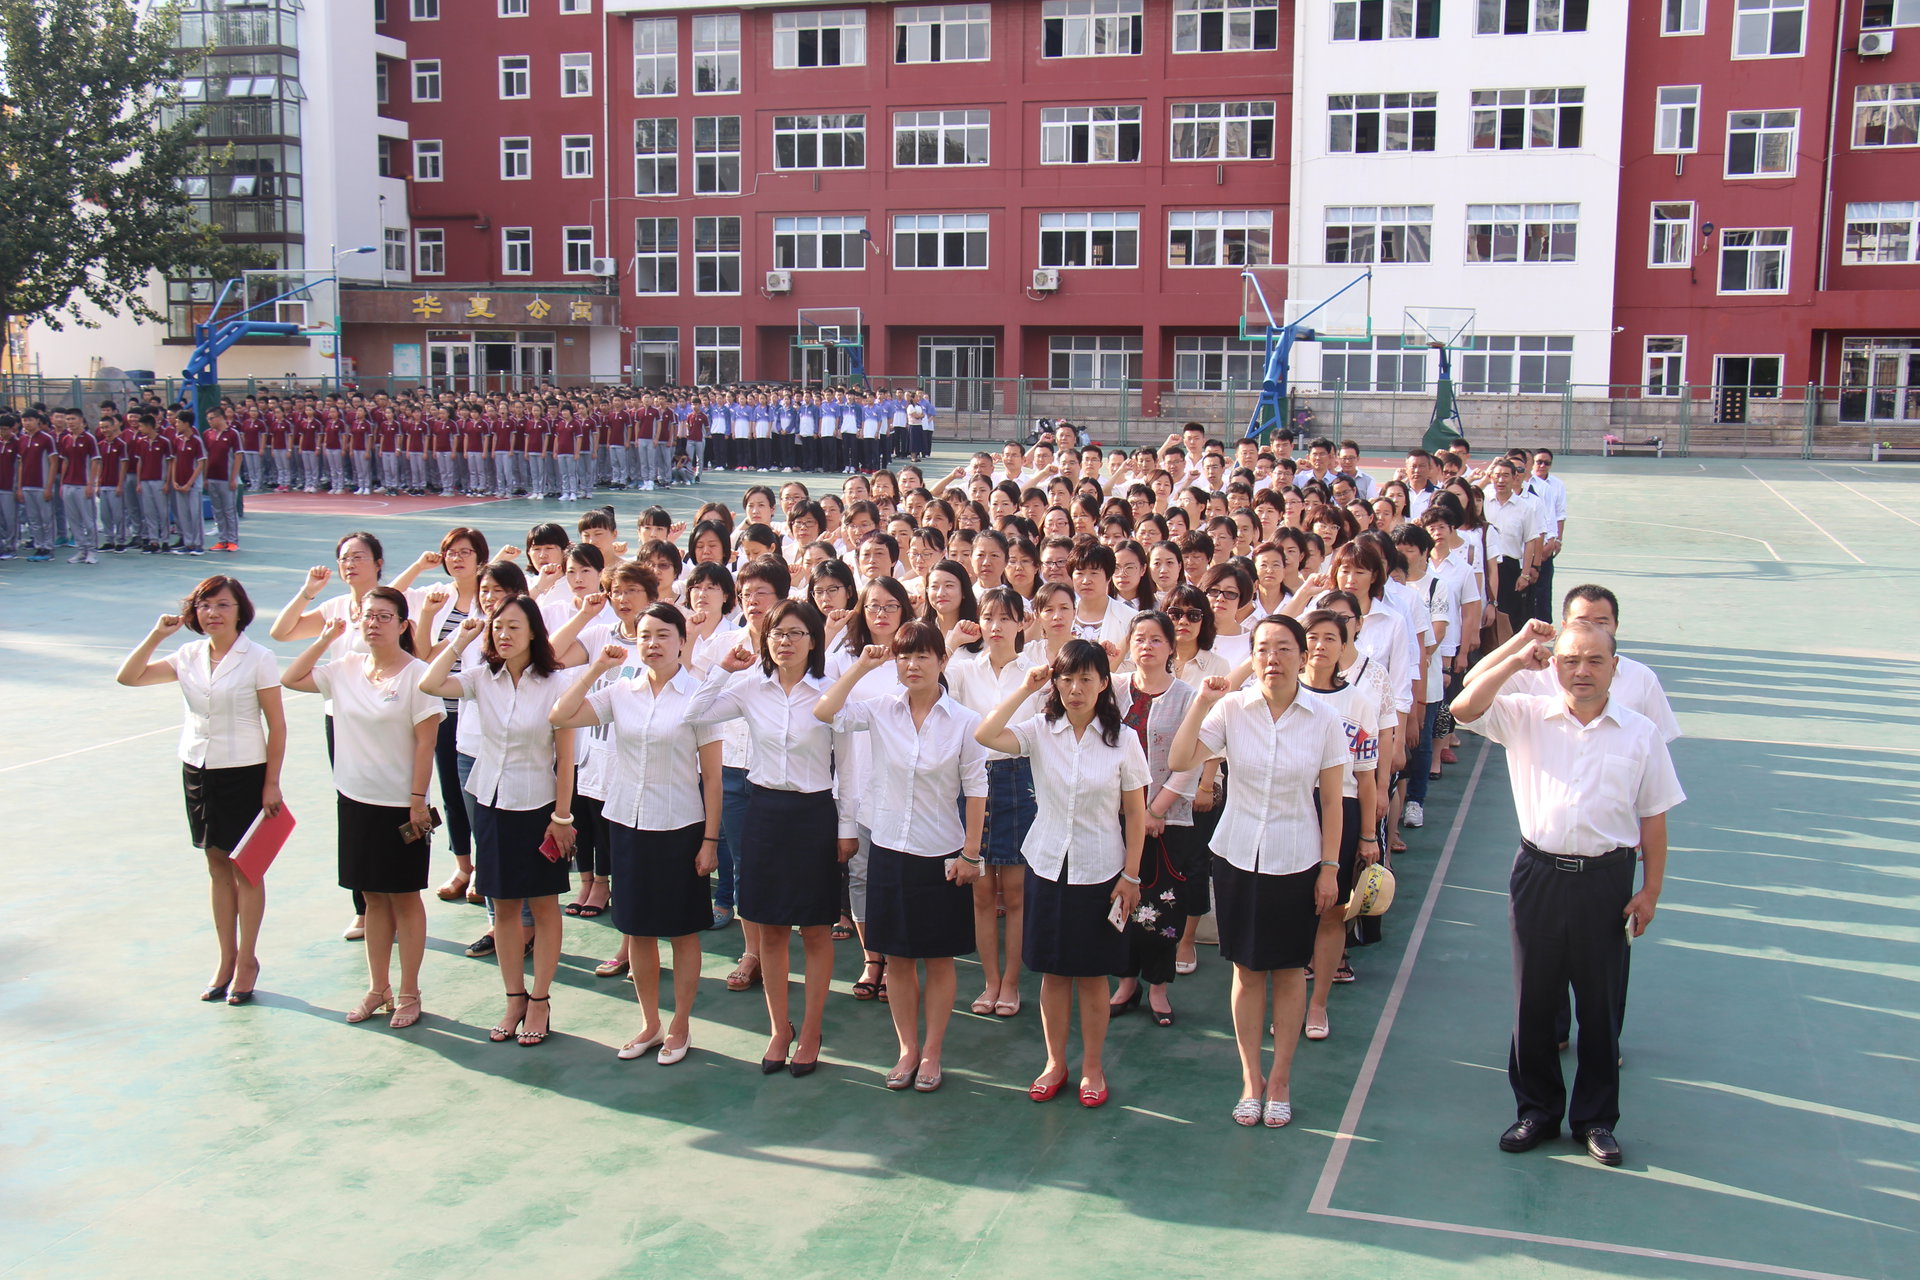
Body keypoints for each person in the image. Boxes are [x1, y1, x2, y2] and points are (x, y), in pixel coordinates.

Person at [1449, 618, 1684, 1168]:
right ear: (1553, 664)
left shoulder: (1639, 734)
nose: (1581, 671)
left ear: (1615, 668)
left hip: (1607, 881)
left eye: (1595, 661)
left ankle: (1596, 1120)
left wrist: (1650, 890)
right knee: (1533, 1000)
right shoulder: (1527, 715)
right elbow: (1462, 709)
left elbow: (1654, 819)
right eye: (1570, 660)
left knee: (1599, 1008)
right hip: (1538, 874)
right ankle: (1536, 1110)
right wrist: (1514, 660)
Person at [1168, 616, 1348, 1129]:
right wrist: (1201, 700)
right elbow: (1180, 759)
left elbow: (1333, 802)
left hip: (1298, 859)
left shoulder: (1324, 719)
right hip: (1237, 857)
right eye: (1263, 649)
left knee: (1290, 972)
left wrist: (1330, 869)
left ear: (1304, 654)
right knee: (1246, 971)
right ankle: (1251, 1078)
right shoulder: (1230, 709)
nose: (1273, 658)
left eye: (1284, 648)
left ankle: (1282, 1079)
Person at [975, 640, 1148, 1110]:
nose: (1075, 689)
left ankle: (1092, 1066)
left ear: (1104, 684)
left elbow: (1135, 814)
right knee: (1052, 973)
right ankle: (1055, 1063)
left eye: (1086, 679)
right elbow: (986, 734)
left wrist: (1131, 876)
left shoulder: (1123, 740)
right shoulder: (1039, 729)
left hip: (1100, 870)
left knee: (1092, 976)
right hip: (1048, 864)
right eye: (1067, 678)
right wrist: (1025, 688)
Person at [815, 623, 988, 1092]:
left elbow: (976, 791)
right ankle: (907, 1050)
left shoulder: (965, 722)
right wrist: (860, 667)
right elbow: (825, 710)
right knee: (897, 957)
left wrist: (971, 854)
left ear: (942, 661)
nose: (912, 666)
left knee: (938, 958)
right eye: (903, 658)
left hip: (941, 855)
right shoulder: (879, 711)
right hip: (889, 847)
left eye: (922, 657)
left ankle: (932, 1052)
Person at [551, 605, 721, 1065]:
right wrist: (597, 670)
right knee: (637, 930)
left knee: (683, 932)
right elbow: (561, 715)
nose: (653, 643)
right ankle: (650, 1022)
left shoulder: (700, 697)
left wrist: (710, 841)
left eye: (663, 635)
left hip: (680, 827)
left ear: (683, 641)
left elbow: (713, 778)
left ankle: (681, 1024)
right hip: (626, 824)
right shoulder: (620, 691)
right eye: (645, 635)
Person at [685, 598, 845, 1078]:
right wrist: (722, 668)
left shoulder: (829, 690)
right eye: (777, 633)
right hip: (765, 812)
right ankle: (780, 1028)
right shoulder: (750, 687)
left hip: (815, 812)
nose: (786, 642)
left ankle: (812, 1030)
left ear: (813, 640)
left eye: (797, 633)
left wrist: (849, 825)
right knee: (770, 928)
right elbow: (693, 714)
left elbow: (851, 763)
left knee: (815, 930)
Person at [115, 576, 286, 1005]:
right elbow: (129, 677)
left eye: (222, 605)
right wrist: (158, 634)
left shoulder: (258, 658)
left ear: (240, 611)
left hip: (246, 771)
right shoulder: (187, 654)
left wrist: (271, 783)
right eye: (205, 605)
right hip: (199, 768)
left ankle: (248, 960)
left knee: (247, 868)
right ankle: (225, 959)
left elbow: (277, 726)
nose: (213, 613)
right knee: (216, 865)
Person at [281, 586, 443, 1029]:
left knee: (404, 898)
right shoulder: (344, 668)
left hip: (401, 806)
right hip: (355, 800)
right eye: (368, 616)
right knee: (372, 897)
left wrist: (416, 801)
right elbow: (291, 678)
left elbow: (427, 742)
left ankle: (409, 992)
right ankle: (378, 988)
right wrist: (321, 638)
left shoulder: (419, 676)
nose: (373, 623)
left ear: (403, 625)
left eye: (384, 616)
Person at [419, 596, 577, 1047]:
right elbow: (431, 684)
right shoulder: (479, 678)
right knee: (504, 908)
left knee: (544, 908)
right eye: (496, 628)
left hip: (539, 808)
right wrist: (460, 639)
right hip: (489, 803)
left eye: (513, 627)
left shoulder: (557, 683)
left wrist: (562, 817)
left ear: (533, 633)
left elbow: (564, 760)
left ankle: (541, 999)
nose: (502, 635)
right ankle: (514, 998)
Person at [946, 586, 1041, 1018]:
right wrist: (951, 642)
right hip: (974, 783)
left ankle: (1012, 983)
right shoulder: (964, 669)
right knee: (982, 892)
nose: (997, 626)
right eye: (989, 617)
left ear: (1022, 623)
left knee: (1017, 893)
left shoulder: (1036, 673)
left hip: (1022, 780)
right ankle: (989, 981)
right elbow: (933, 688)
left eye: (1006, 618)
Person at [1106, 612, 1200, 1027]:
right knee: (1119, 899)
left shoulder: (1188, 697)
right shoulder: (1112, 689)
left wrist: (1156, 809)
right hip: (1114, 817)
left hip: (1167, 820)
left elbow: (1192, 760)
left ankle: (1158, 986)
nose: (1146, 646)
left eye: (1156, 639)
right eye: (1139, 638)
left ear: (1170, 647)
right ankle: (1126, 981)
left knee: (1162, 905)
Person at [1296, 607, 1381, 1039]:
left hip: (1341, 809)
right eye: (1312, 637)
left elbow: (1366, 780)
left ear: (1344, 647)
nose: (1320, 646)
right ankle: (1288, 1006)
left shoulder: (1359, 702)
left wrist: (1368, 834)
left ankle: (1318, 1005)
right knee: (1291, 912)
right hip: (1292, 807)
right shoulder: (1283, 694)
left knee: (1330, 911)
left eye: (1331, 638)